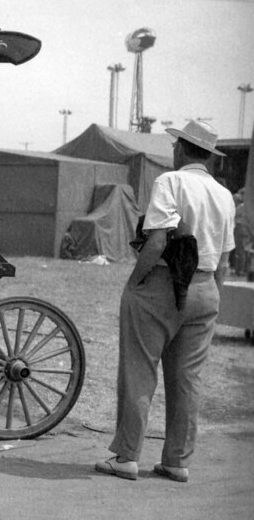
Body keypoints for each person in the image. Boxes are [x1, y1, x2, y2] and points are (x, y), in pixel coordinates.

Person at [95, 119, 235, 483]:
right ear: (208, 155)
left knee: (139, 371)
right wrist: (210, 293)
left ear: (181, 148)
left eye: (175, 145)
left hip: (161, 283)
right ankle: (177, 461)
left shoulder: (169, 182)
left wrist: (134, 282)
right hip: (205, 287)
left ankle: (126, 456)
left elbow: (156, 241)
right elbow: (224, 258)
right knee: (188, 379)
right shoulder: (223, 194)